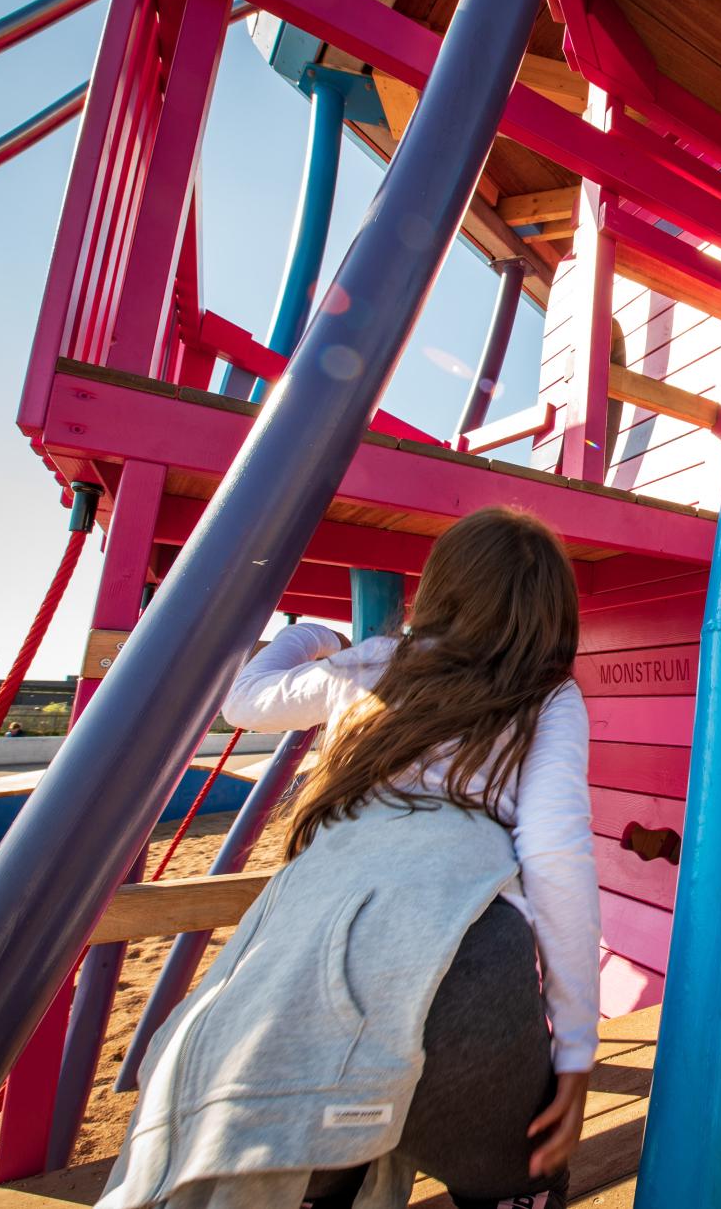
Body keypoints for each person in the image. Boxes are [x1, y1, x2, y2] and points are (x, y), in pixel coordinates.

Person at [98, 508, 597, 1209]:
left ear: (441, 590)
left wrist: (313, 636)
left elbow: (243, 701)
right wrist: (575, 1051)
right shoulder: (547, 695)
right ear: (550, 609)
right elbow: (555, 853)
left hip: (309, 962)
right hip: (463, 961)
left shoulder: (367, 663)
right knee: (518, 1178)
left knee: (312, 1163)